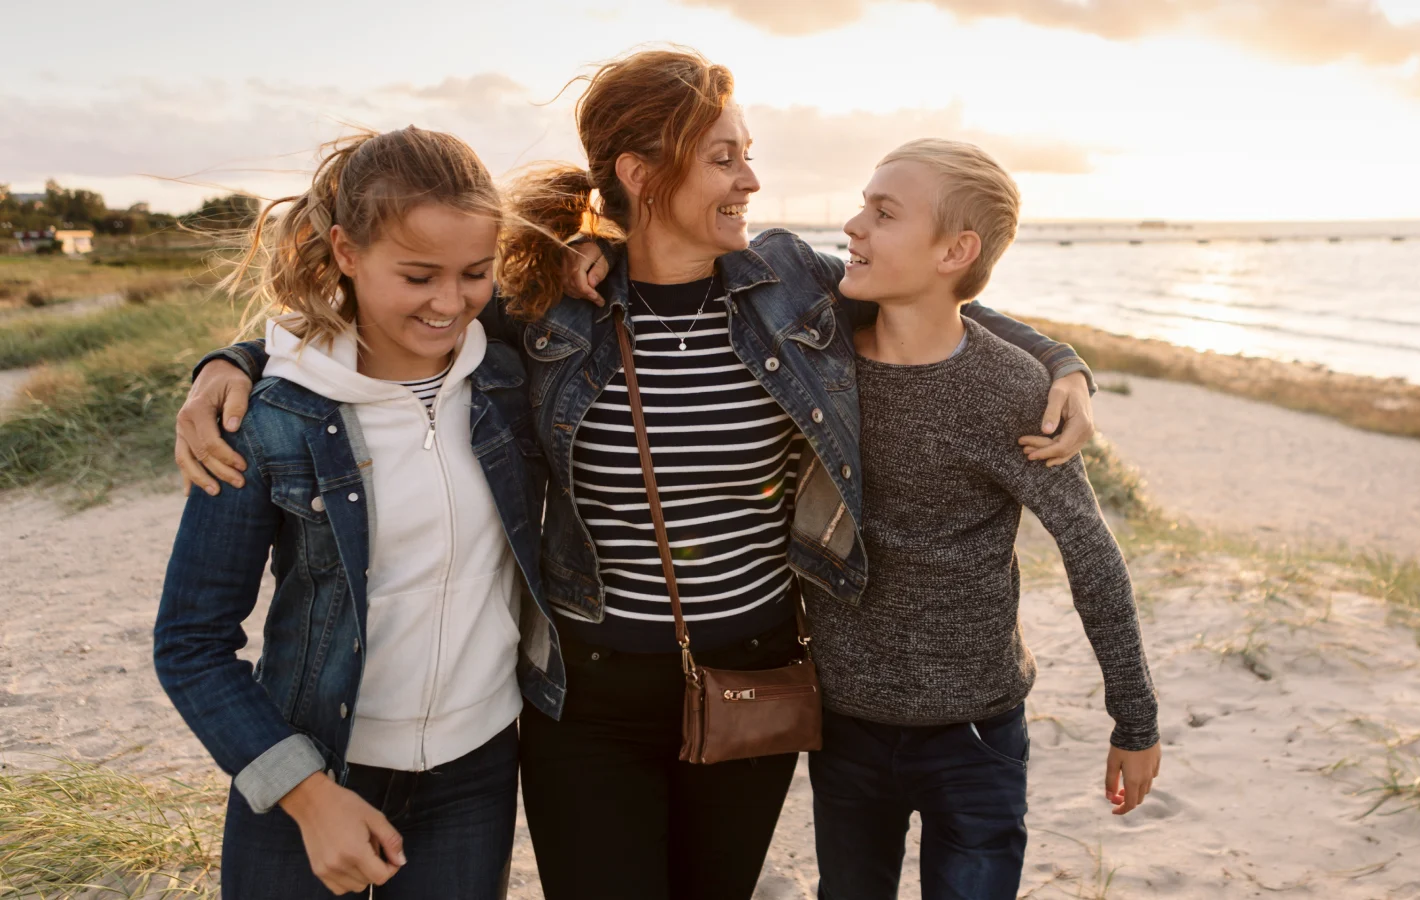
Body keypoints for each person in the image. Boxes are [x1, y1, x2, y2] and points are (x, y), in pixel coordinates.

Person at [174, 48, 1099, 900]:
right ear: (641, 174)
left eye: (749, 153)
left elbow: (930, 298)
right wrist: (238, 361)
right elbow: (381, 318)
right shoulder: (547, 305)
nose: (752, 177)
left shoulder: (786, 282)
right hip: (589, 699)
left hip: (755, 680)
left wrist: (1063, 362)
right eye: (725, 157)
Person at [152, 126, 566, 899]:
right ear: (346, 251)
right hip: (309, 766)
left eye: (476, 273)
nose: (451, 303)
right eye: (417, 276)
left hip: (474, 771)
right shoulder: (273, 420)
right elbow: (190, 643)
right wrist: (308, 797)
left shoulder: (509, 381)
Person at [799, 139, 1162, 899]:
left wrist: (1135, 722)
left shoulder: (1007, 389)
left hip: (976, 735)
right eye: (864, 204)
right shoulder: (817, 353)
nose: (852, 224)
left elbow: (1090, 552)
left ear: (955, 250)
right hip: (842, 726)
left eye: (883, 212)